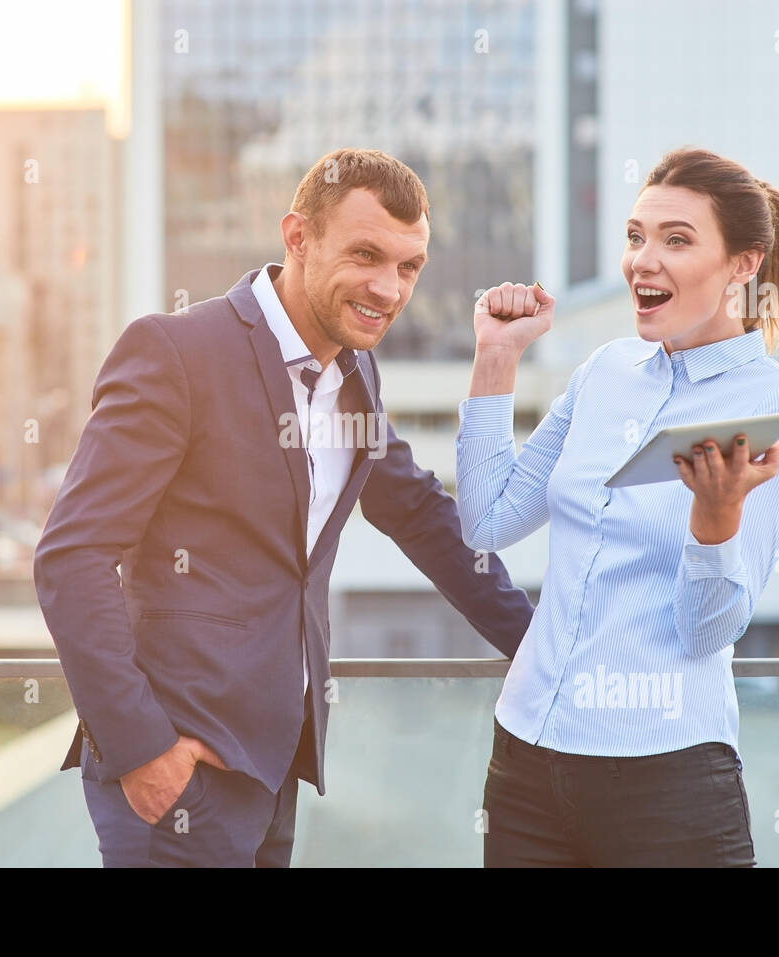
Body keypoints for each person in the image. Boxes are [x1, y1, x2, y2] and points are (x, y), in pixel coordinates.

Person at [34, 147, 533, 867]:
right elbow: (72, 555)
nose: (388, 288)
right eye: (366, 255)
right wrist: (143, 748)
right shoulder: (176, 352)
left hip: (275, 767)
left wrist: (548, 646)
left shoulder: (355, 370)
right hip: (178, 770)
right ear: (298, 237)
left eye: (408, 266)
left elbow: (422, 516)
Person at [457, 147, 779, 867]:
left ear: (743, 265)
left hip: (668, 780)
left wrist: (713, 522)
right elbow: (487, 520)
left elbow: (706, 630)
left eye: (677, 240)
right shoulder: (603, 373)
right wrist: (496, 358)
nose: (642, 261)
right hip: (526, 762)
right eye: (636, 236)